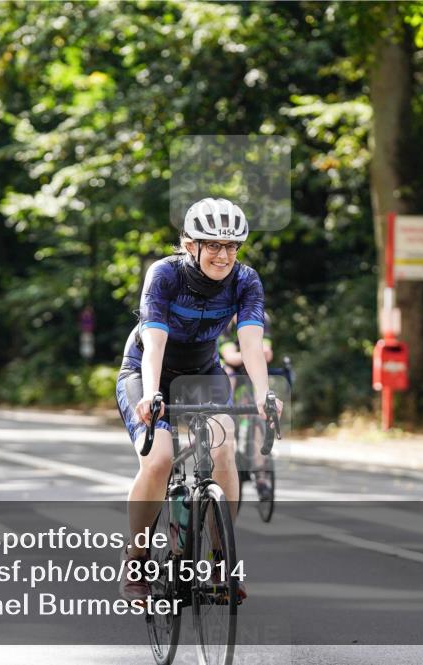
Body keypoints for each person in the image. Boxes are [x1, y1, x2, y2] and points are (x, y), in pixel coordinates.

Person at [115, 197, 280, 602]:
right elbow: (153, 344)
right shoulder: (165, 275)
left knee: (224, 448)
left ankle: (222, 560)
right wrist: (152, 394)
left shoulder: (246, 280)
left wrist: (263, 394)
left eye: (231, 247)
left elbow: (251, 343)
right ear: (191, 245)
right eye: (213, 245)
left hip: (203, 372)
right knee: (159, 459)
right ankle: (135, 560)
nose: (223, 255)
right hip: (147, 370)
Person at [219, 313, 274, 500]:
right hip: (227, 371)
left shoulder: (262, 318)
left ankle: (261, 475)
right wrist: (253, 353)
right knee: (227, 374)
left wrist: (257, 354)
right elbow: (230, 357)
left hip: (252, 370)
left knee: (259, 416)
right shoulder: (223, 319)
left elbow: (267, 351)